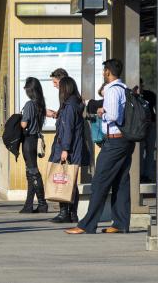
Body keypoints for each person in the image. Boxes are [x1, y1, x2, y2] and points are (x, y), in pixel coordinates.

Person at [67, 58, 135, 234]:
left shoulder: (112, 91)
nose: (103, 73)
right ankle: (120, 223)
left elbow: (113, 115)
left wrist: (100, 112)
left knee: (99, 182)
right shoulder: (124, 88)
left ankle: (87, 225)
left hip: (114, 141)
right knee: (121, 181)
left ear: (108, 72)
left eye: (104, 70)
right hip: (125, 141)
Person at [49, 77, 90, 223]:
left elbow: (68, 129)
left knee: (64, 179)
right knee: (70, 180)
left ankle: (64, 213)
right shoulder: (75, 103)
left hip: (67, 147)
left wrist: (65, 149)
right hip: (74, 146)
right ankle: (72, 214)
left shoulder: (70, 105)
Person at [19, 77, 49, 213]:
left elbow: (24, 124)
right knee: (30, 172)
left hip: (29, 140)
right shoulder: (40, 103)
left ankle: (42, 204)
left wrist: (19, 120)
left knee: (33, 172)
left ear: (30, 90)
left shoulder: (30, 104)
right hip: (34, 139)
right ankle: (28, 204)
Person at [135, 79, 157, 183]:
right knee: (139, 150)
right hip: (139, 126)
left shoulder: (150, 95)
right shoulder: (133, 96)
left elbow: (157, 109)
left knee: (150, 150)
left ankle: (147, 175)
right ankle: (139, 174)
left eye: (141, 85)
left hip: (151, 125)